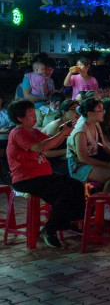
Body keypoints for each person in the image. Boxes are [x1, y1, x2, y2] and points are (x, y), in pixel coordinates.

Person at [5, 99, 84, 248]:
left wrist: (65, 132)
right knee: (62, 194)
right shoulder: (18, 133)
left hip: (42, 176)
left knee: (76, 185)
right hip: (26, 179)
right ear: (19, 118)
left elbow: (51, 142)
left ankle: (67, 221)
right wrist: (63, 133)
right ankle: (50, 229)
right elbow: (41, 147)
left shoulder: (33, 131)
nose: (34, 117)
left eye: (34, 113)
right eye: (30, 114)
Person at [67, 98, 110, 193]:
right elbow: (82, 158)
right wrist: (107, 165)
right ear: (89, 113)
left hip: (93, 160)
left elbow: (104, 146)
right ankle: (105, 204)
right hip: (79, 166)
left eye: (103, 110)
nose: (103, 113)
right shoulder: (81, 131)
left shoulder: (96, 124)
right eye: (100, 110)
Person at [40, 100, 80, 175]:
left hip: (62, 159)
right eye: (73, 109)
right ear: (64, 112)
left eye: (78, 109)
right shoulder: (55, 126)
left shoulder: (73, 124)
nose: (77, 112)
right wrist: (69, 150)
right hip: (50, 164)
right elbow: (45, 153)